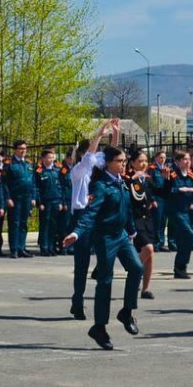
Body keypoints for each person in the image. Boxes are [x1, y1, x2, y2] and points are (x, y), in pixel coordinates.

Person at [62, 146, 143, 351]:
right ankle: (99, 327)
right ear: (108, 163)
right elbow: (90, 213)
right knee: (105, 281)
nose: (124, 164)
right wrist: (77, 232)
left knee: (136, 268)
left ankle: (127, 312)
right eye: (120, 161)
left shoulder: (121, 182)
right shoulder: (100, 186)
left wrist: (132, 231)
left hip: (122, 235)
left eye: (124, 161)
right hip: (105, 237)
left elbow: (126, 209)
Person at [67, 119, 116, 319]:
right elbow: (89, 158)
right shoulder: (78, 171)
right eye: (91, 151)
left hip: (98, 215)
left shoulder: (99, 169)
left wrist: (115, 134)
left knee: (109, 250)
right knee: (82, 263)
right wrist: (99, 135)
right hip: (82, 217)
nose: (96, 155)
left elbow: (111, 155)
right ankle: (77, 301)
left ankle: (99, 269)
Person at [165, 150, 193, 279]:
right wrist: (179, 190)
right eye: (185, 159)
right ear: (177, 161)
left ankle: (180, 268)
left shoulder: (192, 175)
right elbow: (166, 190)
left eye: (188, 159)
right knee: (189, 234)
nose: (188, 162)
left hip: (186, 211)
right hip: (175, 210)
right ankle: (180, 266)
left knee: (184, 240)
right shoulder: (172, 174)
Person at [126, 149, 157, 299]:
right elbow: (126, 193)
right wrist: (133, 178)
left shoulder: (147, 178)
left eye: (145, 161)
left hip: (147, 220)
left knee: (150, 255)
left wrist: (168, 180)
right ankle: (134, 273)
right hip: (135, 220)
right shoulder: (128, 178)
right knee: (148, 249)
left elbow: (161, 192)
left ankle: (145, 289)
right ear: (132, 163)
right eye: (140, 161)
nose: (144, 164)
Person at [3, 140, 35, 258]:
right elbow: (4, 183)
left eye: (25, 148)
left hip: (27, 197)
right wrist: (8, 198)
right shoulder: (9, 164)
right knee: (14, 223)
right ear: (15, 149)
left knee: (23, 223)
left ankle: (22, 247)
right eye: (20, 148)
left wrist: (33, 197)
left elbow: (33, 182)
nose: (23, 151)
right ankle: (14, 249)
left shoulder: (29, 164)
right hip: (15, 197)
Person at [35, 150, 64, 256]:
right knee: (45, 225)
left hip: (56, 200)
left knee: (53, 225)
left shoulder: (57, 170)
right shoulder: (39, 171)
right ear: (43, 158)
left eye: (52, 157)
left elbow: (60, 187)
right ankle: (44, 247)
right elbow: (37, 188)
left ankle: (51, 247)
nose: (51, 160)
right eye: (49, 157)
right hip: (45, 202)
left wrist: (61, 202)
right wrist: (39, 202)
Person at [150, 151, 170, 251]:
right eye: (161, 157)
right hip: (157, 198)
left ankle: (161, 243)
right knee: (156, 222)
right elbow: (150, 185)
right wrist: (152, 199)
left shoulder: (166, 169)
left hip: (164, 199)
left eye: (164, 157)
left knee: (163, 222)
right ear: (156, 158)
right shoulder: (152, 169)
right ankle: (155, 243)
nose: (162, 159)